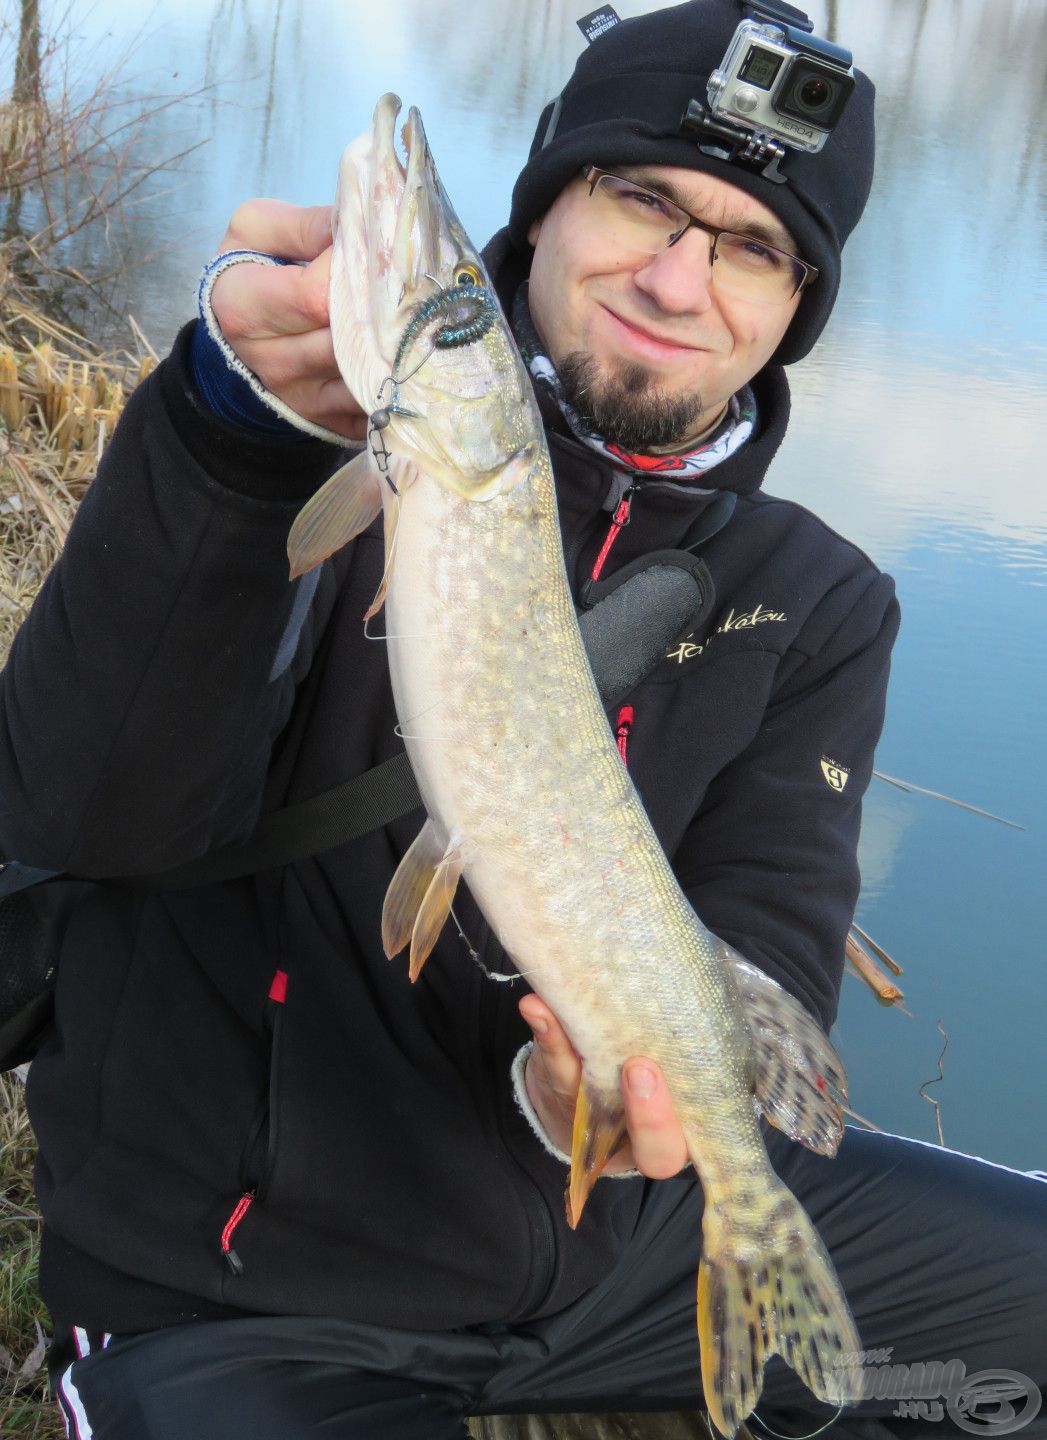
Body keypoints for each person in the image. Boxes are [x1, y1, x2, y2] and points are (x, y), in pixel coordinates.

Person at [2, 2, 1045, 1437]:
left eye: (754, 248)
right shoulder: (302, 462)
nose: (681, 280)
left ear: (795, 306)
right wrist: (225, 434)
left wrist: (630, 1120)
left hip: (606, 1246)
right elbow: (87, 807)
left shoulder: (820, 594)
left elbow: (772, 935)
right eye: (642, 199)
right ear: (548, 200)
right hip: (236, 1282)